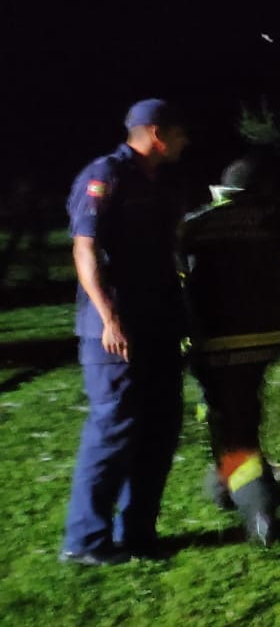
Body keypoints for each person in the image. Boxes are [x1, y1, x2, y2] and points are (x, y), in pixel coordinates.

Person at [60, 99, 191, 565]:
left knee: (160, 427)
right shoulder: (106, 175)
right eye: (179, 134)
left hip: (159, 324)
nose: (185, 142)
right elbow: (84, 250)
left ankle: (137, 533)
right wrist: (109, 318)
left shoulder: (161, 183)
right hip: (115, 330)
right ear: (157, 133)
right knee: (113, 428)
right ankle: (85, 541)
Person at [179, 154, 280, 546]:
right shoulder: (276, 222)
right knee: (238, 411)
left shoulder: (194, 225)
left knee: (230, 421)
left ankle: (257, 508)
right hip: (263, 338)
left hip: (208, 340)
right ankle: (227, 483)